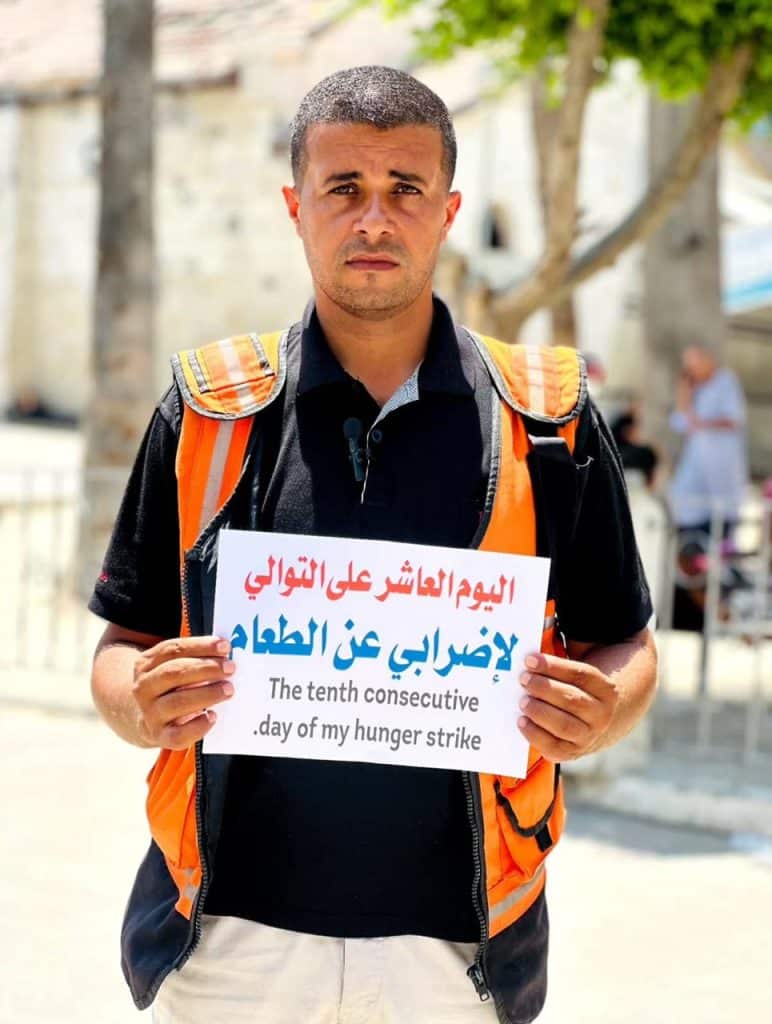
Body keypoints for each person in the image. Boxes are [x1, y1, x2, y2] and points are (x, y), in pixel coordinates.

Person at [89, 66, 657, 1024]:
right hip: (234, 948)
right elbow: (119, 651)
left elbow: (627, 643)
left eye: (406, 191)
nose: (374, 220)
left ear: (448, 211)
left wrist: (602, 717)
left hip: (458, 957)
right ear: (294, 206)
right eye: (343, 189)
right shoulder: (208, 412)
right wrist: (140, 706)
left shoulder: (547, 422)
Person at [669, 344, 748, 539]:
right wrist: (684, 393)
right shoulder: (695, 389)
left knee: (723, 512)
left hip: (722, 461)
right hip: (697, 462)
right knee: (684, 500)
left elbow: (734, 419)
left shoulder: (726, 380)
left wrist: (704, 424)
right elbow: (681, 422)